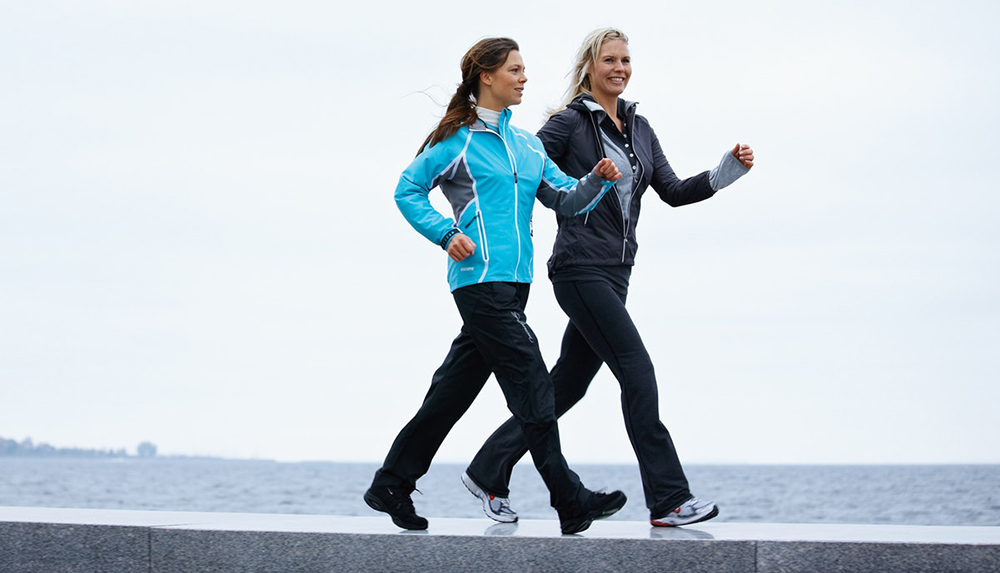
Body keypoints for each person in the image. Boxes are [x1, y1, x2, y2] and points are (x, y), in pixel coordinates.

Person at [462, 28, 754, 527]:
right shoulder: (568, 123)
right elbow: (523, 168)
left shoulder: (640, 128)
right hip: (579, 269)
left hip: (617, 274)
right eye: (609, 60)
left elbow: (673, 190)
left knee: (567, 385)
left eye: (626, 60)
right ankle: (669, 498)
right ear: (589, 66)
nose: (620, 68)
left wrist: (724, 173)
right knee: (637, 371)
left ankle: (488, 468)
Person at [364, 37, 628, 535]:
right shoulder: (457, 141)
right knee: (532, 382)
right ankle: (568, 498)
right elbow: (407, 189)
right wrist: (446, 233)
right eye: (515, 70)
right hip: (479, 282)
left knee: (452, 391)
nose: (524, 78)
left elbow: (566, 198)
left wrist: (595, 180)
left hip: (517, 284)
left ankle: (392, 482)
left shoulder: (528, 145)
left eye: (524, 70)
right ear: (487, 76)